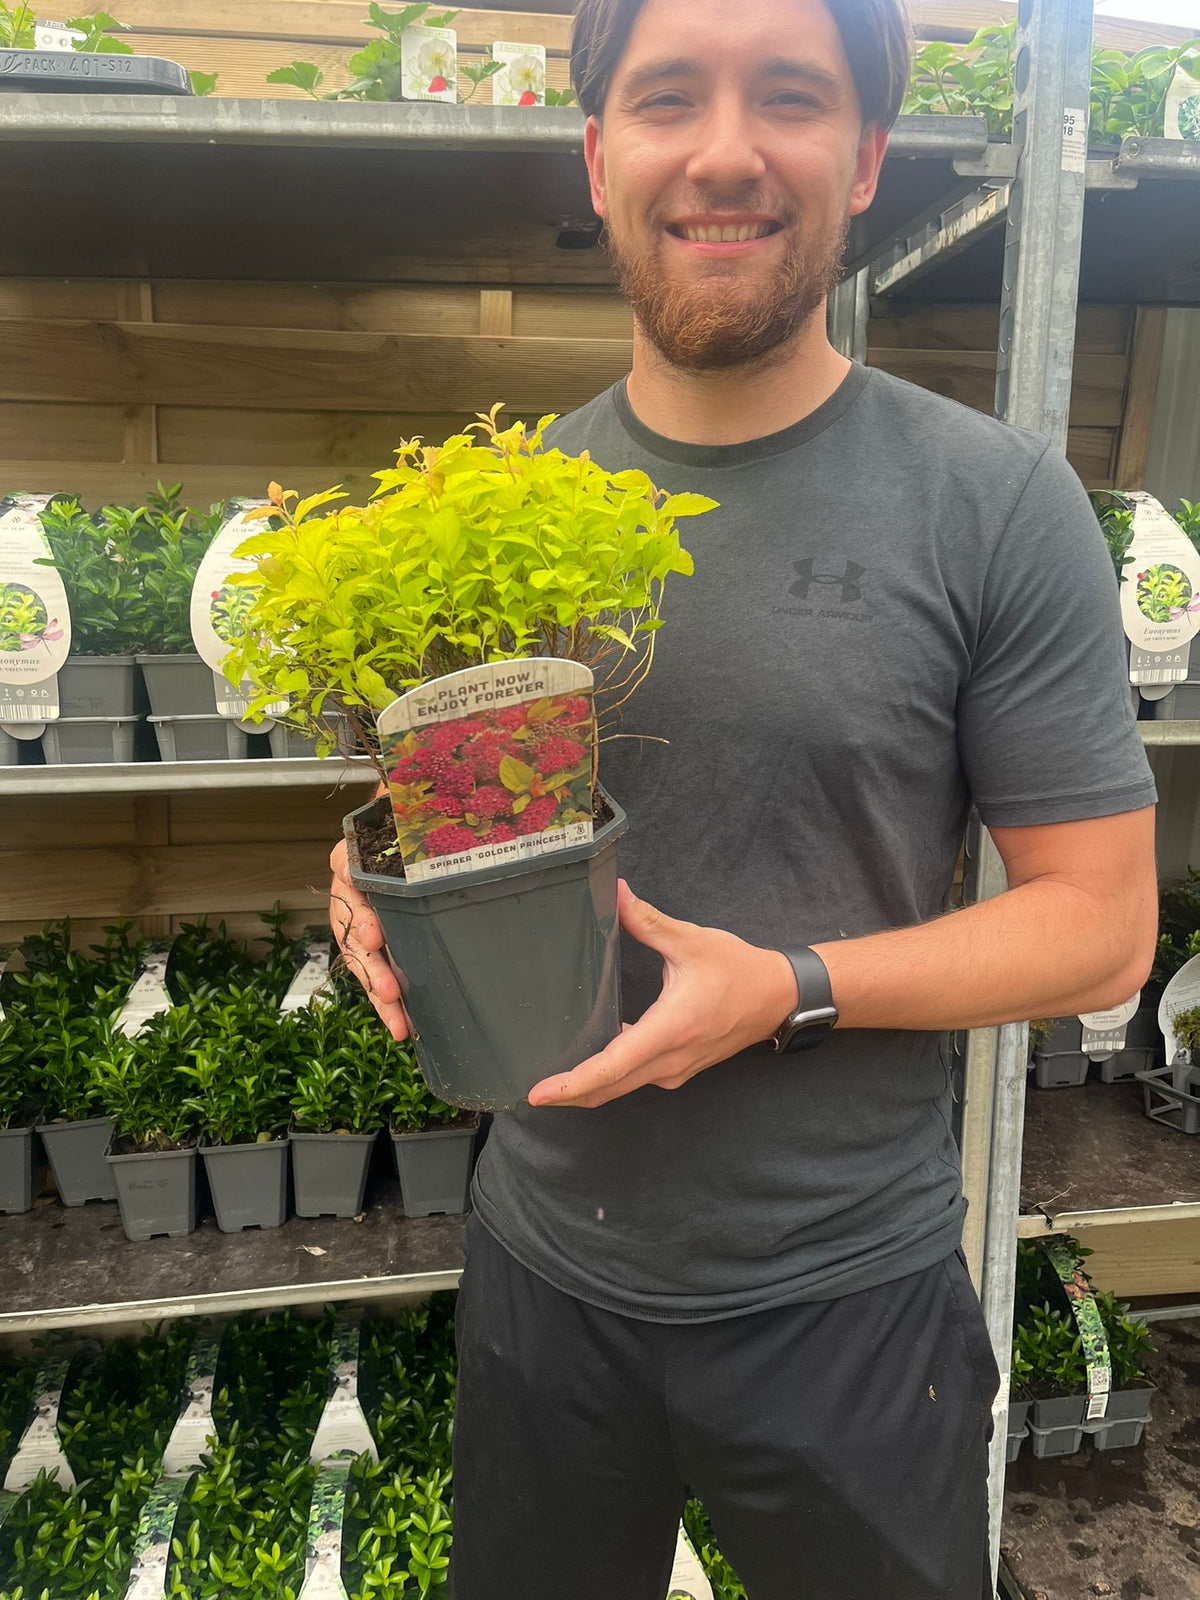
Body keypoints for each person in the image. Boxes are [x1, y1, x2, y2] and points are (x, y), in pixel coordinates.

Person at [328, 0, 1159, 1594]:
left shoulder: (990, 504)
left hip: (848, 1303)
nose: (723, 151)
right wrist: (380, 873)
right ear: (598, 151)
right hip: (542, 1272)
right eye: (665, 99)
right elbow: (456, 805)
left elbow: (1104, 931)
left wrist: (790, 990)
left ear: (863, 160)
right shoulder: (500, 522)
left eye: (788, 96)